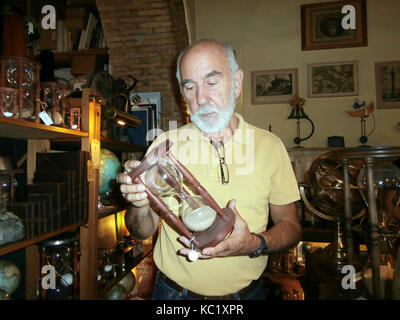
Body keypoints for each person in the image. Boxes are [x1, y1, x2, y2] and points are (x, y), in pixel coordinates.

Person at [117, 39, 302, 300]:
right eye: (190, 87)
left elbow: (291, 226)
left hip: (247, 295)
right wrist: (138, 205)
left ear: (237, 83)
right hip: (174, 295)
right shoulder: (164, 145)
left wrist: (255, 244)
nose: (201, 98)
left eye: (211, 83)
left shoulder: (270, 146)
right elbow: (141, 231)